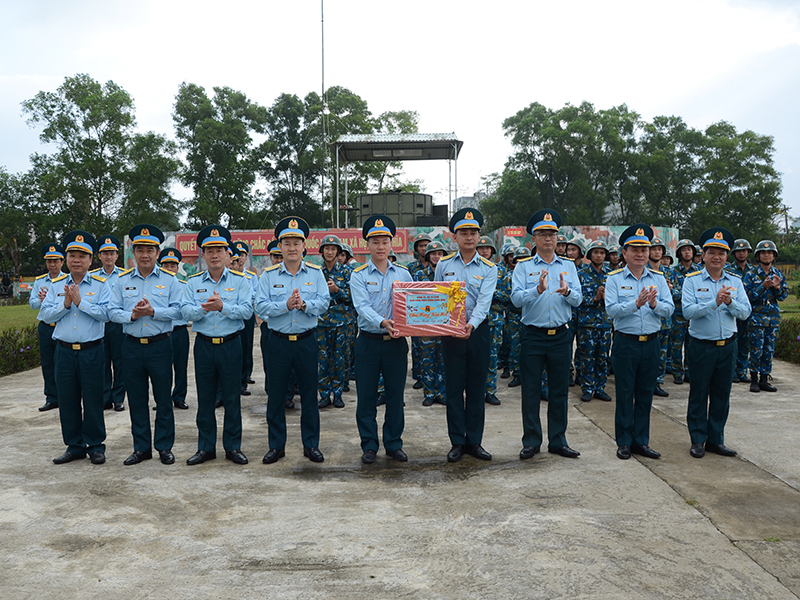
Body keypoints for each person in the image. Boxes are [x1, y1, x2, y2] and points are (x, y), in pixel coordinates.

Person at [256, 217, 330, 465]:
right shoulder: (267, 275)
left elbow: (324, 303)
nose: (291, 248)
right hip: (277, 342)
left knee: (309, 395)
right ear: (280, 246)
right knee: (276, 395)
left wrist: (305, 305)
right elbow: (261, 306)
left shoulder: (316, 273)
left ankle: (311, 445)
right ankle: (276, 446)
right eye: (286, 243)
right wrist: (284, 305)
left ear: (304, 246)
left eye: (296, 243)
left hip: (306, 341)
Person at [511, 209, 582, 460]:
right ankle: (531, 440)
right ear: (534, 239)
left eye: (552, 234)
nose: (548, 239)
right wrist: (537, 290)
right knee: (530, 390)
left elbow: (578, 299)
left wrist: (567, 293)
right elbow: (516, 299)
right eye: (542, 234)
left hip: (561, 335)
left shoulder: (569, 266)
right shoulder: (523, 266)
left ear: (557, 238)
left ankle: (558, 440)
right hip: (533, 335)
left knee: (559, 390)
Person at [109, 225, 182, 466]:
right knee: (137, 399)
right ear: (133, 253)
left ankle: (164, 447)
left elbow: (178, 310)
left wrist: (153, 312)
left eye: (150, 250)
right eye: (140, 250)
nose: (144, 255)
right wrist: (131, 315)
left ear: (157, 253)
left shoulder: (170, 280)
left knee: (162, 399)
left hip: (160, 346)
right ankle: (141, 448)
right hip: (131, 346)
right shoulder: (121, 281)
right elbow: (111, 310)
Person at [181, 225, 253, 466]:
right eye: (209, 250)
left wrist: (223, 307)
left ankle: (233, 446)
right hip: (203, 346)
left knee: (232, 398)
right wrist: (204, 308)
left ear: (228, 254)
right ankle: (205, 447)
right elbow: (184, 310)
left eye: (219, 250)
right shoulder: (193, 283)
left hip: (231, 345)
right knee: (206, 398)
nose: (214, 255)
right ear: (202, 254)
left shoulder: (240, 281)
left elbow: (246, 311)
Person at [40, 231, 110, 465]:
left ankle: (96, 445)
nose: (76, 260)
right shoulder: (57, 285)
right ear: (66, 259)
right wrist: (65, 304)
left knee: (93, 400)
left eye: (82, 255)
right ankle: (74, 445)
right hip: (64, 351)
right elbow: (45, 314)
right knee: (67, 400)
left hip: (92, 351)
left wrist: (82, 302)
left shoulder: (101, 285)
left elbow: (107, 314)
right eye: (72, 255)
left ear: (91, 260)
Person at [605, 224, 674, 460]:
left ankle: (641, 441)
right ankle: (624, 441)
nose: (641, 253)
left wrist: (654, 305)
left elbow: (669, 310)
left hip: (652, 343)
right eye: (635, 249)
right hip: (626, 343)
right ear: (624, 253)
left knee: (645, 394)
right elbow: (612, 310)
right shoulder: (614, 278)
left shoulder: (658, 278)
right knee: (625, 393)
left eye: (645, 249)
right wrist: (635, 303)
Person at [435, 208, 497, 463]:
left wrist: (470, 324)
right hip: (450, 335)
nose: (469, 237)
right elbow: (437, 297)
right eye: (463, 233)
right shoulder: (443, 265)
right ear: (455, 237)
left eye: (473, 233)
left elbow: (484, 302)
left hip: (478, 333)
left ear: (479, 236)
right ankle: (457, 442)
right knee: (453, 390)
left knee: (476, 389)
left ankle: (474, 441)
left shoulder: (489, 268)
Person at [683, 228, 751, 458]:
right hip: (702, 346)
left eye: (721, 253)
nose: (716, 257)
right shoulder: (692, 281)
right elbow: (688, 311)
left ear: (727, 256)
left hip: (728, 346)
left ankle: (716, 439)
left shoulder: (735, 281)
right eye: (711, 252)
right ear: (703, 255)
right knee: (699, 394)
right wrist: (714, 302)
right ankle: (698, 440)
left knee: (722, 395)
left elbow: (745, 313)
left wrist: (730, 302)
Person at [350, 215, 413, 463]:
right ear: (368, 244)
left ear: (391, 244)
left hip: (396, 344)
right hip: (368, 341)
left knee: (396, 396)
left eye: (384, 241)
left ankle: (394, 443)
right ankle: (369, 445)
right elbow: (362, 307)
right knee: (366, 396)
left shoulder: (404, 275)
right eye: (375, 241)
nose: (380, 246)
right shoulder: (359, 275)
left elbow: (413, 306)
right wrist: (382, 322)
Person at [743, 240, 788, 393]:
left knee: (769, 349)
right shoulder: (751, 274)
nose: (766, 255)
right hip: (757, 317)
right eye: (763, 252)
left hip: (773, 317)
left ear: (774, 255)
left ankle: (764, 379)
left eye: (769, 253)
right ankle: (754, 379)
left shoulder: (778, 273)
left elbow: (783, 296)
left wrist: (777, 287)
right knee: (756, 349)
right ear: (758, 255)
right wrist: (763, 286)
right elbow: (747, 296)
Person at [316, 234, 352, 409]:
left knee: (339, 359)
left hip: (341, 321)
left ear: (338, 252)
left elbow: (354, 296)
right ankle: (324, 394)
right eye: (327, 249)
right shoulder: (315, 272)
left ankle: (337, 394)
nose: (330, 252)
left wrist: (338, 290)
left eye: (333, 249)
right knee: (323, 359)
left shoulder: (346, 272)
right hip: (321, 322)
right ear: (322, 251)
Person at [92, 235, 126, 411]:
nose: (108, 257)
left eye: (111, 253)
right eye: (105, 253)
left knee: (120, 362)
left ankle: (118, 397)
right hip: (99, 324)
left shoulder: (124, 276)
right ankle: (105, 397)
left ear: (116, 256)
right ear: (99, 256)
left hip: (118, 325)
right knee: (102, 362)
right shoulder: (93, 277)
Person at [576, 240, 612, 402]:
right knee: (586, 357)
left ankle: (600, 388)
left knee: (602, 357)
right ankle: (587, 387)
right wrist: (594, 298)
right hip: (587, 323)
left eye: (602, 253)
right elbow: (576, 298)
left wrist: (606, 299)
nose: (599, 255)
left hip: (605, 323)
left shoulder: (611, 274)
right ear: (589, 255)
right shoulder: (581, 273)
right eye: (596, 252)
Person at [30, 243, 64, 412]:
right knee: (48, 363)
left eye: (55, 261)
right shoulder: (39, 281)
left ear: (62, 262)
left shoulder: (67, 279)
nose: (52, 264)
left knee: (64, 364)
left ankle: (67, 395)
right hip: (45, 327)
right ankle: (52, 397)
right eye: (49, 261)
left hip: (61, 326)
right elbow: (32, 304)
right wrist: (41, 300)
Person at [414, 240, 447, 407]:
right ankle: (428, 393)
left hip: (445, 324)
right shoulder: (420, 275)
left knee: (443, 360)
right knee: (426, 360)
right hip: (426, 324)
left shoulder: (449, 275)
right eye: (433, 254)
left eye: (440, 253)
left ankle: (441, 393)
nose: (436, 256)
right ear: (428, 256)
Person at [158, 247, 190, 410]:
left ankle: (179, 396)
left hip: (179, 331)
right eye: (166, 265)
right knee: (162, 368)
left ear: (178, 268)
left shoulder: (185, 286)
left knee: (180, 366)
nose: (170, 269)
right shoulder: (156, 287)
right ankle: (162, 398)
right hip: (162, 332)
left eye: (173, 265)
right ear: (160, 266)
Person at [648, 237, 677, 398]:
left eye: (660, 249)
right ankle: (645, 382)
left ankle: (657, 383)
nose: (657, 252)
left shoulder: (669, 272)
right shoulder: (643, 270)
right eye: (654, 249)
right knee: (647, 356)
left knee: (662, 354)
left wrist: (670, 289)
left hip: (664, 321)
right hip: (647, 319)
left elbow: (680, 293)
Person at [670, 238, 700, 385]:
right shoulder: (673, 272)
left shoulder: (699, 271)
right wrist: (688, 294)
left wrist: (682, 293)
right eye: (684, 250)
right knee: (676, 345)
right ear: (679, 253)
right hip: (678, 314)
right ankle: (677, 372)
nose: (687, 252)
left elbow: (701, 293)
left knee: (692, 345)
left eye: (689, 249)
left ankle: (689, 371)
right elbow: (671, 292)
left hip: (694, 314)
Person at [725, 239, 755, 384]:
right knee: (733, 343)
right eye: (738, 251)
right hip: (732, 311)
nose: (741, 253)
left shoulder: (753, 271)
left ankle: (742, 370)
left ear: (748, 252)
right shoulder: (728, 271)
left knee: (746, 343)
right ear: (734, 253)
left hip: (747, 311)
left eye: (744, 251)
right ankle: (732, 371)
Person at [481, 236, 506, 406]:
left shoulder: (500, 271)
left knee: (492, 358)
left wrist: (490, 291)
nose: (484, 251)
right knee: (475, 359)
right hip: (474, 323)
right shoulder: (472, 269)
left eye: (487, 249)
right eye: (481, 248)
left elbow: (508, 296)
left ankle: (490, 391)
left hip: (494, 321)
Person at [233, 241, 258, 397]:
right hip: (233, 314)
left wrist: (246, 299)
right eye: (238, 255)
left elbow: (255, 294)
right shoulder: (230, 276)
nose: (240, 259)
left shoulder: (251, 276)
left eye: (243, 255)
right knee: (237, 348)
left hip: (247, 313)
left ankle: (245, 376)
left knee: (247, 345)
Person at [506, 247, 531, 388]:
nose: (520, 263)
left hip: (529, 315)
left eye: (524, 259)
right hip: (514, 315)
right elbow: (506, 295)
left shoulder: (533, 274)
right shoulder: (508, 276)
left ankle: (529, 374)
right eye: (517, 260)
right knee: (515, 346)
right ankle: (517, 373)